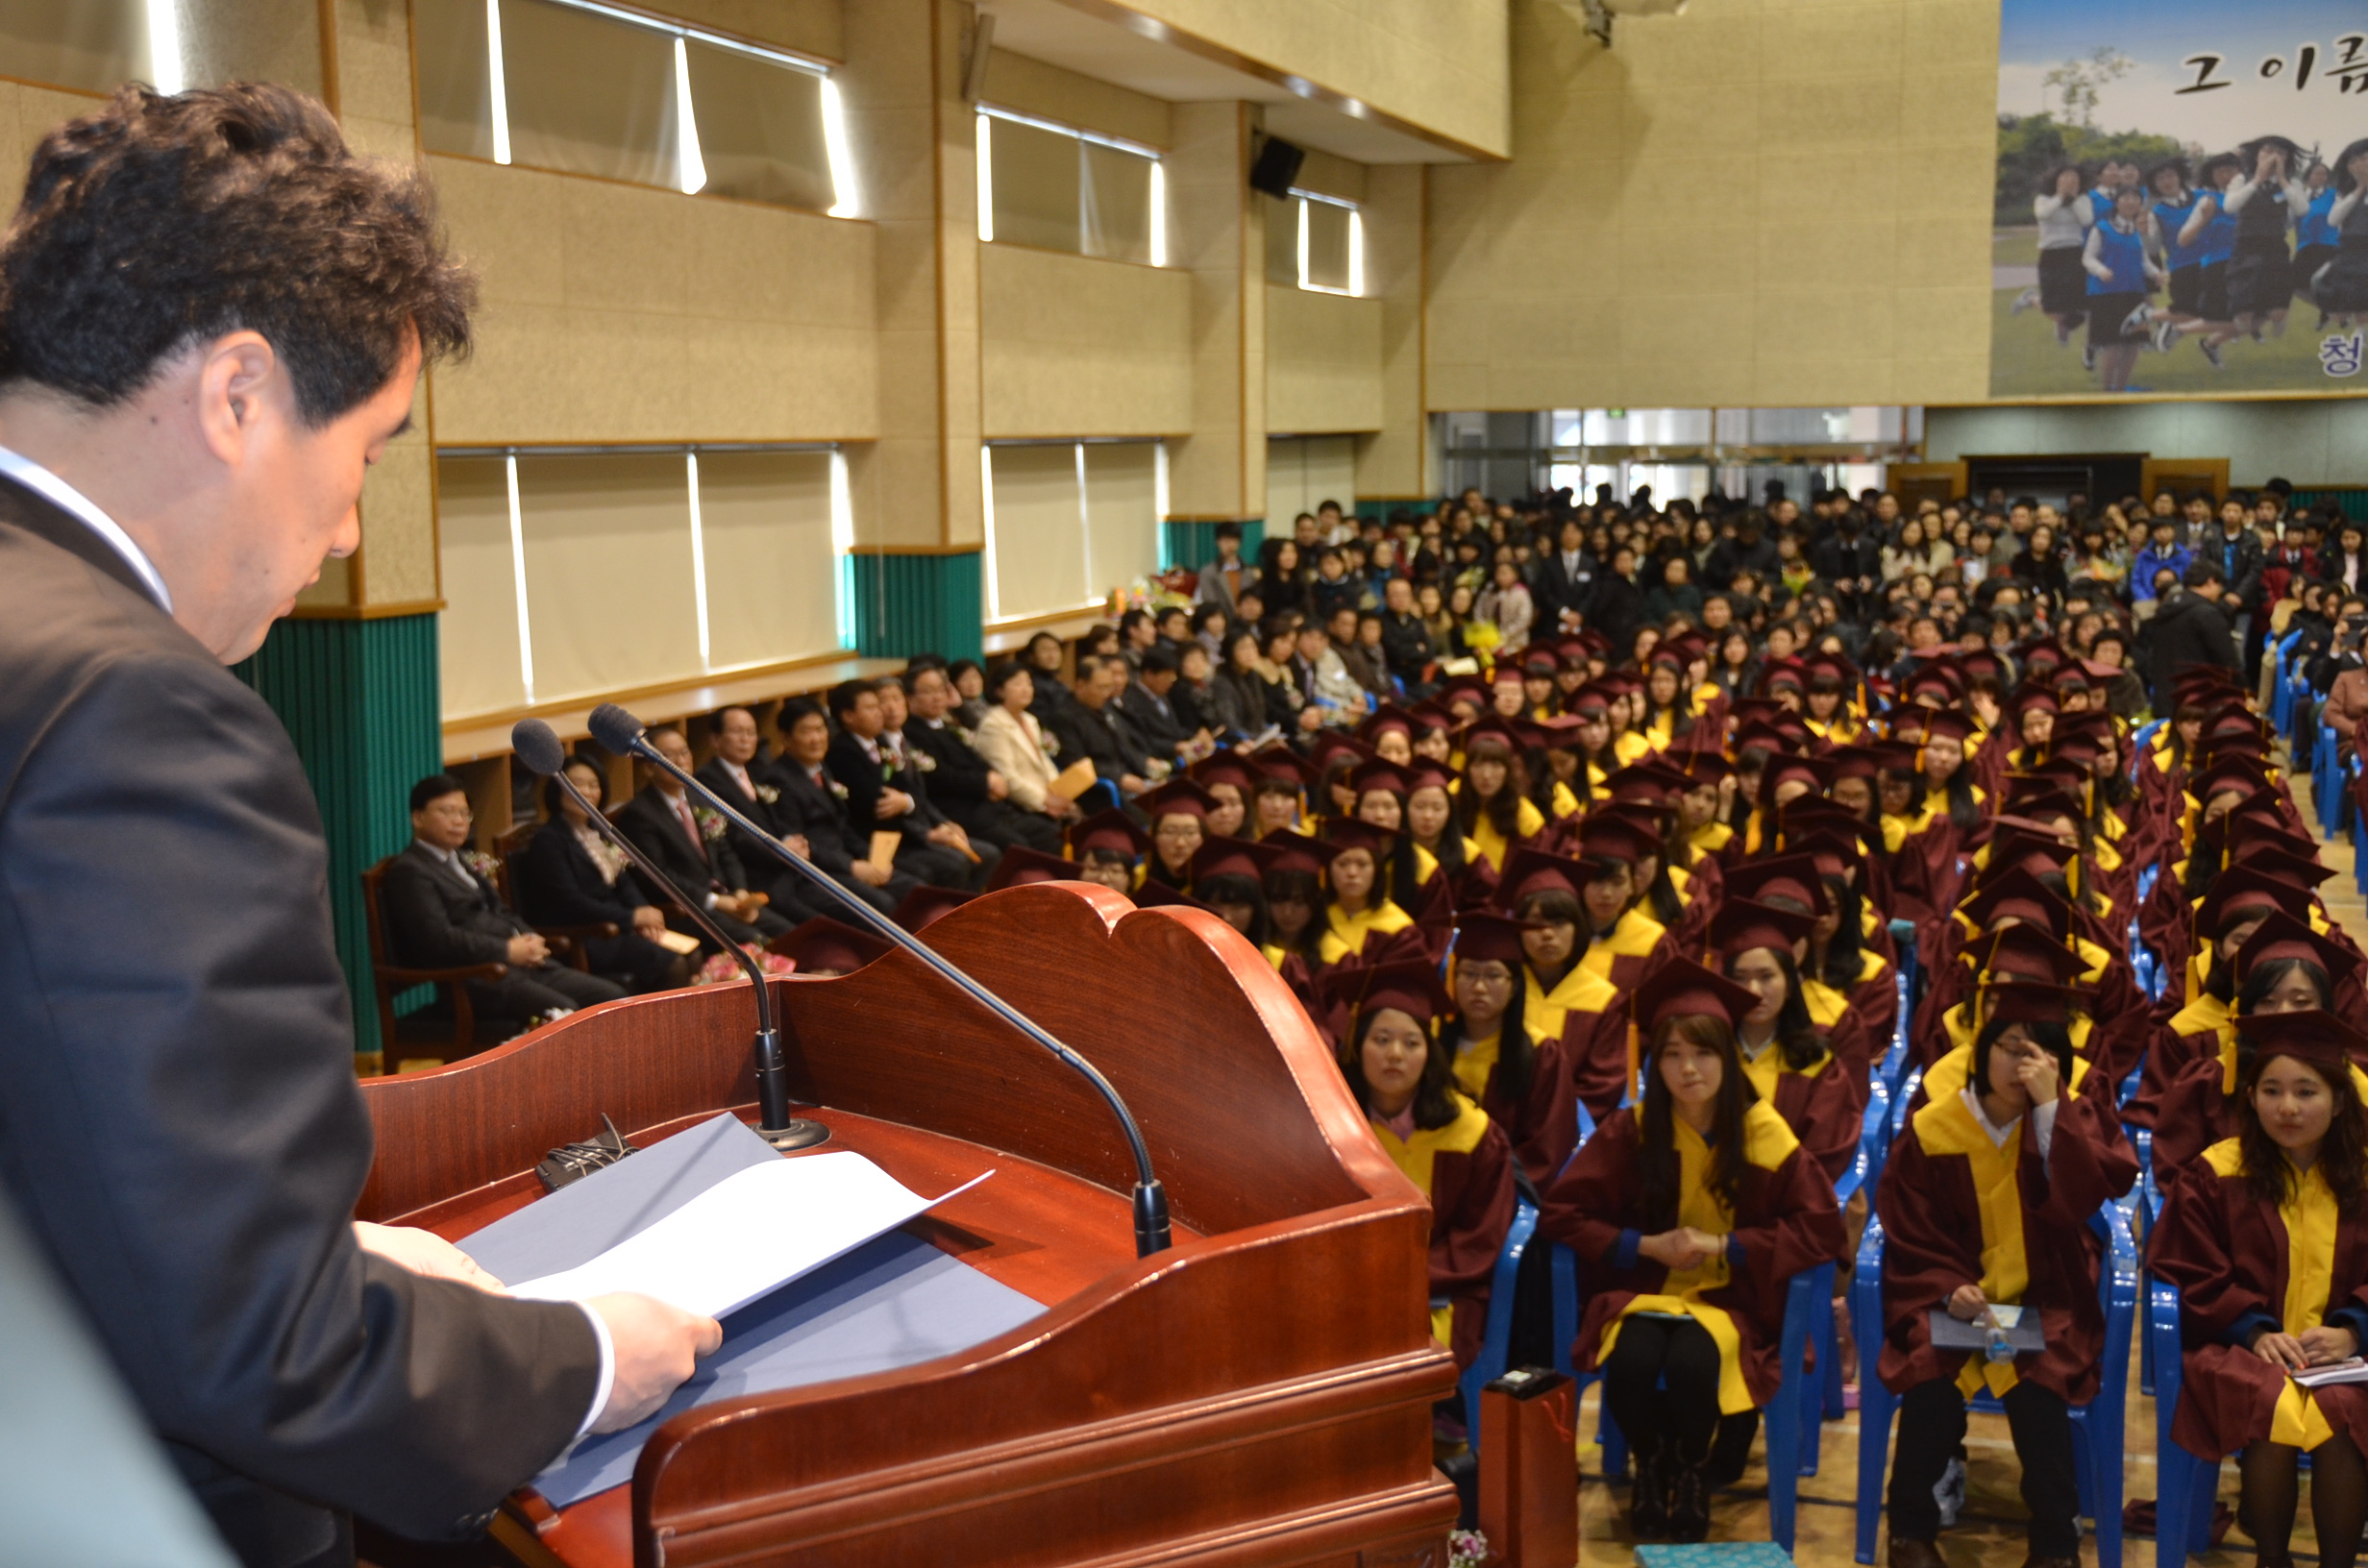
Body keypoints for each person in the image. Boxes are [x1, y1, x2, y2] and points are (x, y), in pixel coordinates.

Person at [0, 83, 717, 1568]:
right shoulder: (136, 716)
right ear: (239, 397)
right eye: (373, 453)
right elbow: (267, 1354)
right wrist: (582, 1360)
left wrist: (289, 1247)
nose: (343, 534)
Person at [1539, 961, 1844, 1542]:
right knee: (1631, 1362)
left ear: (1728, 1059)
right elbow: (1561, 1212)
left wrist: (1728, 1245)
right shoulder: (1634, 1132)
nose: (1687, 1069)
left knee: (1690, 1365)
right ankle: (1652, 1462)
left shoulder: (1764, 1134)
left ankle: (1693, 1469)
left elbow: (1821, 1229)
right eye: (1673, 1055)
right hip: (1646, 1291)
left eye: (1703, 1054)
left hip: (1735, 1299)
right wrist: (1643, 1245)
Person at [1876, 984, 2137, 1568]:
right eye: (2008, 1046)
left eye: (2039, 1052)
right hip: (1951, 1305)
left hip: (2046, 1301)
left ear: (2058, 1064)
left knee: (2039, 1389)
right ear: (1981, 1051)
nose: (2020, 1063)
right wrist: (1948, 1285)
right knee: (1930, 1383)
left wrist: (2051, 1110)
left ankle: (2055, 1543)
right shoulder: (1934, 1128)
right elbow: (1910, 1226)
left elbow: (2083, 1198)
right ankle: (1910, 1533)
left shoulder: (2070, 1121)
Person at [2151, 1011, 2368, 1568]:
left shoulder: (2365, 1175)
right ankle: (2272, 1561)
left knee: (2341, 1411)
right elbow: (2189, 1268)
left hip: (2349, 1358)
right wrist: (2253, 1330)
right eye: (2270, 1090)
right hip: (2237, 1347)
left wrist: (2353, 1330)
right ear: (2250, 1097)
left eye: (2306, 1091)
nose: (2288, 1108)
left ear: (2339, 1100)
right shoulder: (2217, 1172)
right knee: (2270, 1403)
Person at [1328, 963, 1517, 1377]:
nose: (1396, 1054)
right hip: (1349, 1286)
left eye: (1412, 1043)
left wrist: (1410, 1278)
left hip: (1443, 1291)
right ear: (1358, 1047)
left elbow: (1480, 1234)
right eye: (1381, 1040)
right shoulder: (1330, 1128)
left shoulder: (1471, 1132)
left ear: (1429, 1052)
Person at [382, 775, 630, 1030]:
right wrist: (506, 950)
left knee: (612, 1000)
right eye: (447, 812)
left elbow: (500, 910)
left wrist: (530, 939)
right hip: (477, 979)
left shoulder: (458, 857)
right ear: (418, 818)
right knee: (565, 1015)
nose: (458, 821)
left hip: (522, 967)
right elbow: (438, 940)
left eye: (464, 813)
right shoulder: (411, 870)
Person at [512, 760, 691, 995]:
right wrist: (630, 917)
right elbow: (570, 902)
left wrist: (644, 913)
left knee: (691, 953)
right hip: (587, 933)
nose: (587, 792)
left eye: (593, 785)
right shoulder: (548, 840)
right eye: (577, 785)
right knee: (673, 964)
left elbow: (623, 882)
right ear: (558, 789)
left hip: (616, 926)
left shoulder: (598, 832)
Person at [615, 725, 792, 947]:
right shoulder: (640, 814)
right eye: (668, 756)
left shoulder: (699, 796)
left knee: (790, 934)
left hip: (730, 901)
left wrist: (739, 892)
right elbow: (660, 876)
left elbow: (726, 852)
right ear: (648, 769)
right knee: (758, 943)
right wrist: (716, 902)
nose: (680, 761)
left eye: (684, 752)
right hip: (691, 910)